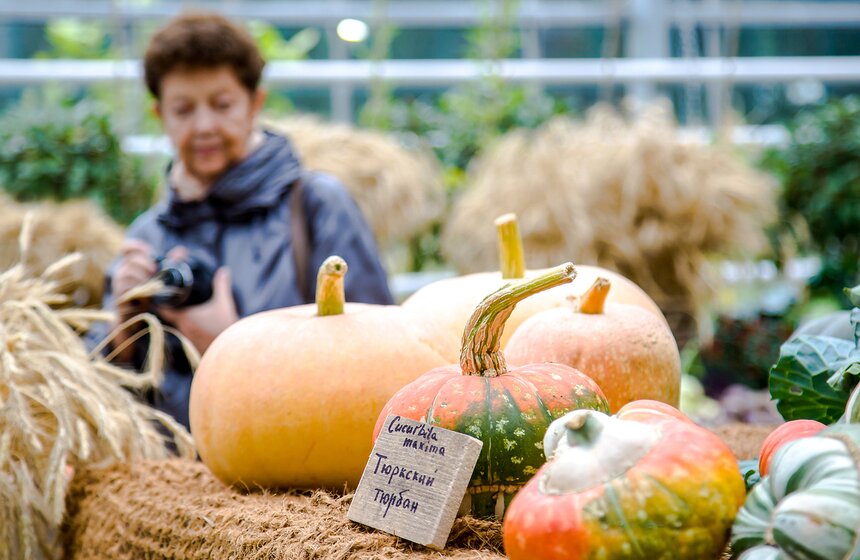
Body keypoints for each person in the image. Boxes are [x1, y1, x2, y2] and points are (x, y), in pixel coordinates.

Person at [102, 11, 394, 431]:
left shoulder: (314, 205)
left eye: (222, 105)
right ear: (160, 115)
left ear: (255, 103)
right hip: (175, 481)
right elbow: (101, 402)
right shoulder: (147, 235)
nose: (204, 126)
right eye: (183, 109)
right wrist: (122, 334)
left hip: (296, 470)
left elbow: (378, 357)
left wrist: (227, 344)